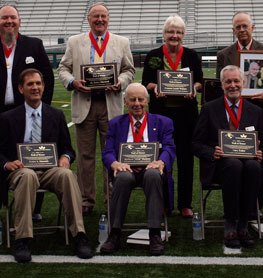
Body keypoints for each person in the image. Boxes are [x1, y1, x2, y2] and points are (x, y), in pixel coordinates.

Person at [0, 4, 54, 223]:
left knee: (31, 158)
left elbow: (48, 79)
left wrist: (42, 108)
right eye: (4, 18)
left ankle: (33, 207)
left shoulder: (34, 45)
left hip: (24, 114)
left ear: (19, 21)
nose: (9, 22)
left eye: (13, 18)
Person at [0, 69, 93, 262]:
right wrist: (8, 163)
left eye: (38, 83)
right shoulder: (8, 118)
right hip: (21, 171)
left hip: (50, 170)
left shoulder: (55, 115)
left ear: (44, 86)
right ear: (21, 89)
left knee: (66, 175)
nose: (35, 87)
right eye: (30, 84)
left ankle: (79, 235)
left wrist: (65, 158)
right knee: (28, 175)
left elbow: (68, 149)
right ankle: (22, 239)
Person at [58, 3, 135, 215]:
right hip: (85, 103)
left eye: (103, 16)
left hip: (110, 104)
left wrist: (120, 81)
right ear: (89, 19)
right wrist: (73, 82)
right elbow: (63, 68)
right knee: (85, 156)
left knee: (111, 155)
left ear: (108, 19)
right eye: (95, 17)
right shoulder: (75, 42)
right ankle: (86, 200)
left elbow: (129, 69)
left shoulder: (121, 42)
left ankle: (112, 198)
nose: (99, 20)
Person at [215, 11, 263, 213]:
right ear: (233, 30)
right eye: (238, 27)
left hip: (258, 114)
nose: (242, 30)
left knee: (258, 159)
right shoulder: (224, 54)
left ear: (252, 27)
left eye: (245, 26)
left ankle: (256, 208)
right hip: (231, 117)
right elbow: (219, 85)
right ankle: (235, 207)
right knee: (233, 161)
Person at [192, 66, 263, 249]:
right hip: (218, 168)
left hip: (247, 166)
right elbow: (196, 144)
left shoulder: (255, 111)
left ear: (244, 83)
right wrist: (211, 152)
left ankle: (244, 224)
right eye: (228, 82)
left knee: (254, 167)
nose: (233, 85)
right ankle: (230, 222)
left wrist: (260, 153)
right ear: (222, 85)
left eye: (236, 81)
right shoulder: (209, 108)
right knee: (233, 164)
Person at [100, 83, 175, 256]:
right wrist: (114, 164)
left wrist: (161, 162)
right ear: (125, 102)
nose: (137, 103)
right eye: (132, 99)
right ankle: (115, 233)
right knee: (123, 177)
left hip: (151, 168)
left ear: (147, 101)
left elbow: (170, 148)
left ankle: (155, 233)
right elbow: (108, 152)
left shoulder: (163, 122)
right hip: (126, 169)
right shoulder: (115, 123)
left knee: (153, 175)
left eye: (141, 99)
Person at [140, 15, 201, 218]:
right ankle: (165, 203)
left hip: (187, 115)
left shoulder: (192, 55)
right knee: (162, 159)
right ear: (164, 34)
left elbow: (200, 81)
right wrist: (156, 87)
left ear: (183, 35)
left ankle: (185, 203)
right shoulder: (153, 54)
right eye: (170, 32)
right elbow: (146, 82)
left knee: (186, 159)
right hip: (161, 115)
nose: (174, 35)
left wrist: (193, 87)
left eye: (178, 32)